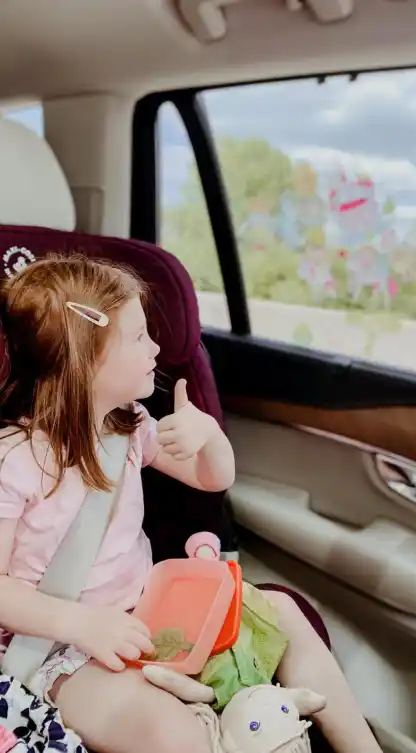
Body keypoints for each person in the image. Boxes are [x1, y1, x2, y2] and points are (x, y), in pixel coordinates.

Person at [0, 256, 381, 753]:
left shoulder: (127, 426)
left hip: (147, 611)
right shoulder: (13, 462)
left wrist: (209, 437)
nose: (156, 348)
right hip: (57, 648)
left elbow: (210, 478)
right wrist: (82, 625)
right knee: (171, 729)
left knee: (285, 614)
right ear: (84, 357)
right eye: (139, 336)